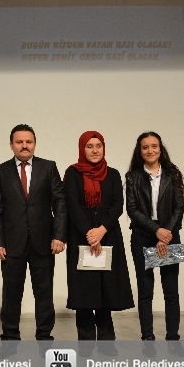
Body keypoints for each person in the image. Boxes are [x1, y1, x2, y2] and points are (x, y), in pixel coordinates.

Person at [0, 124, 66, 342]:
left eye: (29, 142)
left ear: (34, 144)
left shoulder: (48, 167)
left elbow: (60, 203)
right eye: (19, 142)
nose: (24, 146)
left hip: (44, 241)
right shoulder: (0, 171)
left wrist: (59, 235)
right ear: (11, 145)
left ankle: (44, 335)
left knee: (44, 292)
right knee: (11, 293)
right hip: (11, 243)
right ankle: (10, 336)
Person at [64, 131, 134, 354]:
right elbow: (72, 205)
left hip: (108, 235)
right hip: (80, 237)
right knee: (84, 291)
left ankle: (106, 341)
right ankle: (85, 342)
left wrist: (101, 230)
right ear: (82, 149)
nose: (95, 150)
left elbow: (117, 205)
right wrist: (89, 233)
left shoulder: (112, 174)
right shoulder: (72, 173)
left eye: (98, 146)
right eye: (89, 146)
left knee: (106, 289)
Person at [125, 131, 184, 356]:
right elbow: (132, 210)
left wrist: (165, 233)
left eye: (154, 146)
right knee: (145, 291)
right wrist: (156, 230)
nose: (150, 150)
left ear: (160, 149)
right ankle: (148, 338)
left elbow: (179, 207)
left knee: (171, 291)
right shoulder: (132, 177)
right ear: (139, 151)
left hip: (170, 235)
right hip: (143, 236)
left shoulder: (173, 173)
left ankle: (173, 338)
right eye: (145, 147)